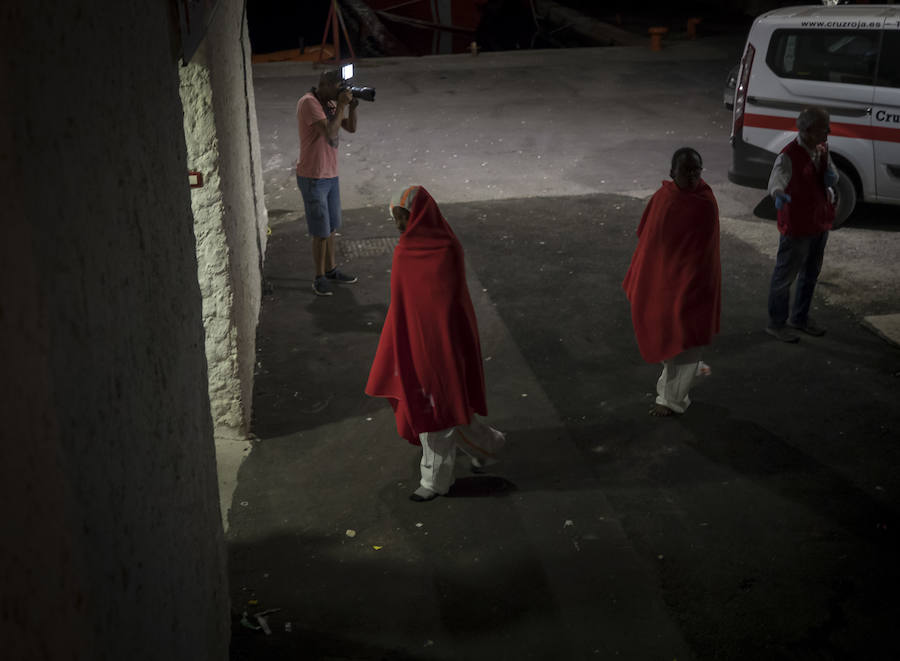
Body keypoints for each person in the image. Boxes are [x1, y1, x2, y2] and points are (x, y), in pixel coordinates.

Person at [365, 186, 505, 501]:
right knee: (446, 408)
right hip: (417, 340)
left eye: (405, 218)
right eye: (397, 220)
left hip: (442, 344)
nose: (400, 227)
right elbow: (404, 304)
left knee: (434, 410)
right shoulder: (407, 251)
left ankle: (435, 482)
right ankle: (489, 446)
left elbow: (447, 303)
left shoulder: (446, 249)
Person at [623, 148, 721, 417]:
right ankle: (675, 383)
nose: (692, 176)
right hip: (665, 280)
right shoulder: (664, 198)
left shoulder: (705, 201)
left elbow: (703, 249)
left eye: (696, 171)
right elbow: (648, 237)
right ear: (672, 172)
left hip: (695, 282)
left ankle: (670, 400)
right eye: (686, 171)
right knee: (668, 333)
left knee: (686, 338)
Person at [765, 107, 837, 342]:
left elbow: (831, 174)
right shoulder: (789, 155)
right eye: (823, 128)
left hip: (819, 221)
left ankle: (800, 317)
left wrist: (830, 180)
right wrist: (778, 195)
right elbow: (776, 182)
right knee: (785, 276)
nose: (828, 131)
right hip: (797, 225)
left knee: (810, 274)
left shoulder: (821, 148)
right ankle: (777, 323)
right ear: (806, 131)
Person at [296, 68, 360, 296]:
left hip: (330, 174)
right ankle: (319, 277)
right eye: (337, 88)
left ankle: (331, 269)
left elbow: (350, 128)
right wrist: (342, 105)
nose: (340, 91)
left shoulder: (331, 103)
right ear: (324, 84)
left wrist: (351, 108)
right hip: (313, 176)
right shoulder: (309, 103)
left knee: (331, 227)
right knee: (320, 231)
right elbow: (330, 134)